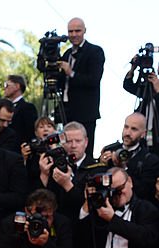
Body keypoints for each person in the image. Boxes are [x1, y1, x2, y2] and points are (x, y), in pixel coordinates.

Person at [59, 17, 105, 152]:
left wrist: (70, 72)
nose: (73, 35)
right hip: (66, 110)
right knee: (67, 148)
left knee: (84, 151)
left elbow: (93, 80)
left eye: (77, 31)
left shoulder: (95, 51)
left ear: (84, 31)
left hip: (85, 112)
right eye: (70, 31)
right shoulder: (67, 53)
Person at [3, 74, 37, 145]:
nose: (4, 88)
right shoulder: (3, 107)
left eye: (7, 85)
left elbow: (30, 132)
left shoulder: (28, 108)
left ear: (17, 86)